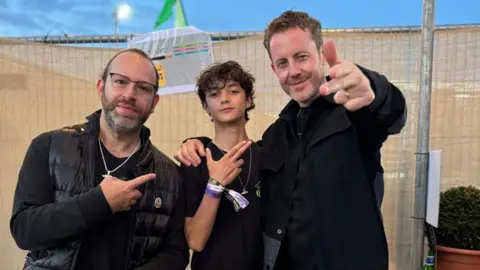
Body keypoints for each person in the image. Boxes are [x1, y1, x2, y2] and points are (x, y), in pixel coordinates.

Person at [174, 10, 407, 270]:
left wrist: (374, 89)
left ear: (320, 56)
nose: (293, 71)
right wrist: (197, 142)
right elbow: (239, 151)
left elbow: (391, 116)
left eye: (301, 57)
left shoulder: (351, 111)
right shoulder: (277, 134)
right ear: (274, 70)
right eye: (283, 63)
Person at [10, 48, 189, 270]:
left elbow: (176, 253)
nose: (130, 94)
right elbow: (24, 231)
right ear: (101, 87)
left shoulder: (168, 173)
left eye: (143, 88)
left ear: (154, 102)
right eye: (120, 81)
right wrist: (100, 202)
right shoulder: (49, 147)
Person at [179, 61, 263, 270]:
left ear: (248, 99)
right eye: (214, 94)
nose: (224, 99)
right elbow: (195, 241)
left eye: (233, 91)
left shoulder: (267, 158)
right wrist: (214, 187)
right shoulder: (195, 161)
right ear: (206, 106)